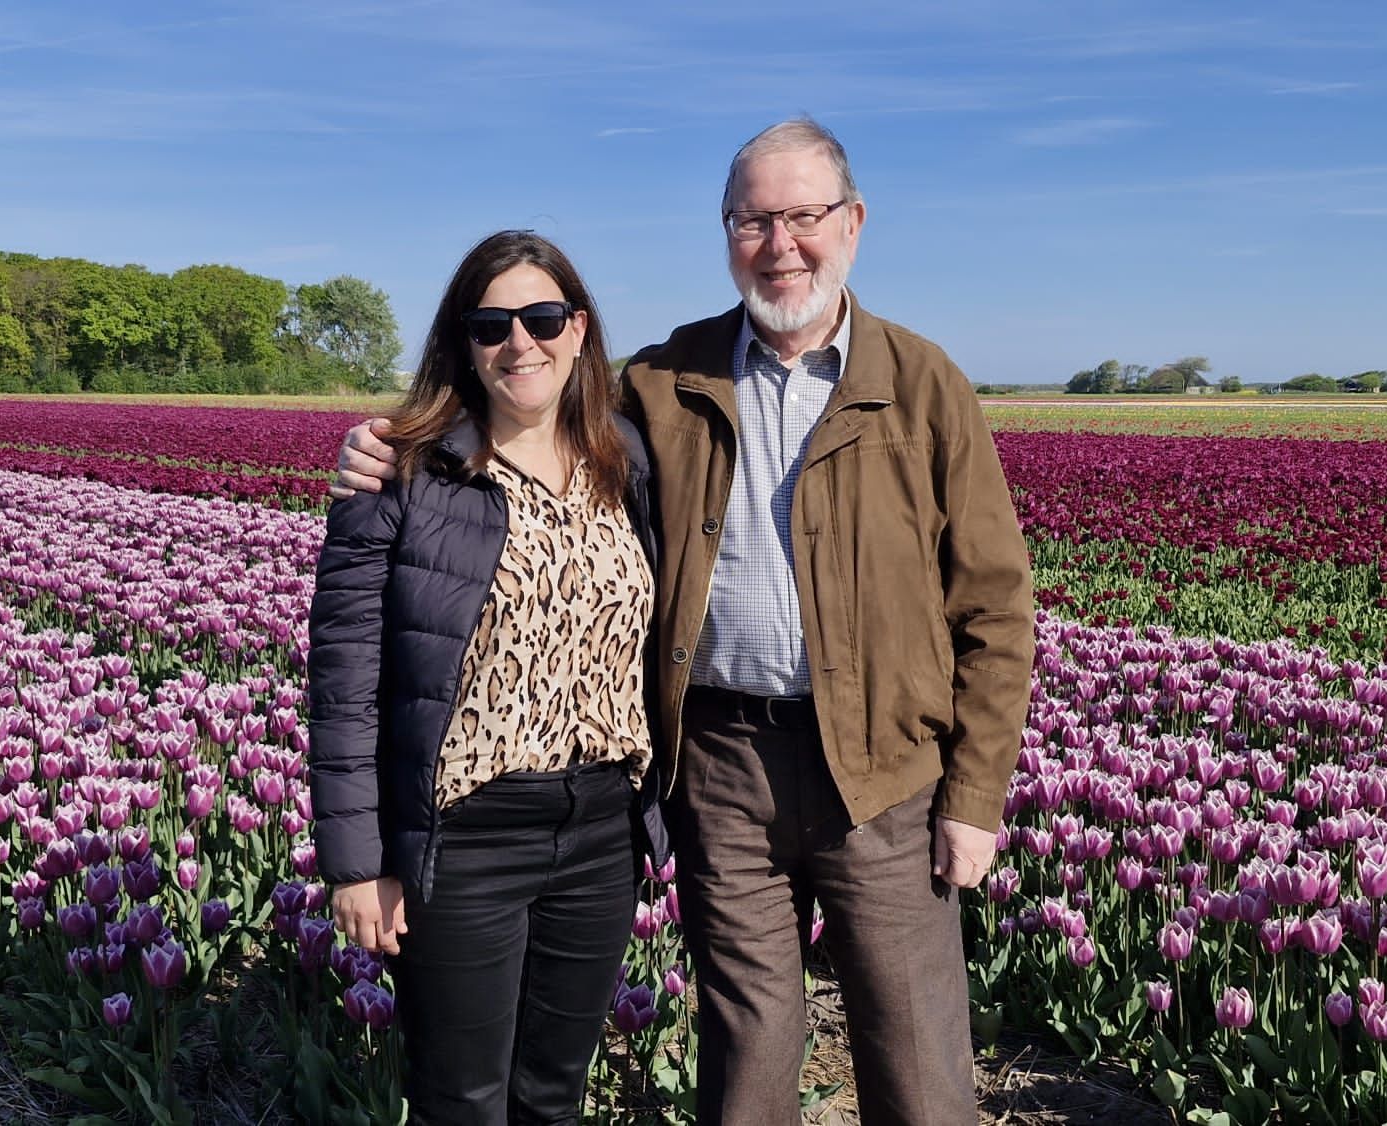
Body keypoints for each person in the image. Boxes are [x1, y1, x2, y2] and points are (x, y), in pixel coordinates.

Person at [332, 120, 1034, 1126]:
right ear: (725, 232)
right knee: (746, 1044)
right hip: (718, 764)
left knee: (916, 1054)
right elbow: (527, 411)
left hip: (883, 769)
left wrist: (974, 796)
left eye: (802, 216)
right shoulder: (665, 381)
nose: (779, 244)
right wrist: (391, 448)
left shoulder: (923, 385)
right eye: (751, 221)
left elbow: (994, 605)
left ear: (852, 223)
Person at [308, 229, 668, 1124]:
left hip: (602, 830)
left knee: (553, 1094)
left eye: (542, 318)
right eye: (490, 325)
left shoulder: (628, 461)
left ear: (578, 330)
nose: (519, 343)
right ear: (462, 342)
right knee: (460, 1100)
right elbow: (345, 684)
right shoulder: (404, 472)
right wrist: (357, 866)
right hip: (466, 835)